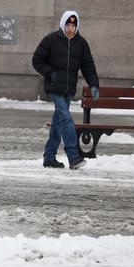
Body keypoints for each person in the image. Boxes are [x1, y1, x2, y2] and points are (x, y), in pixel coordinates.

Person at [32, 10, 100, 170]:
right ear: (63, 24)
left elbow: (88, 66)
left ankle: (49, 157)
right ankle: (73, 156)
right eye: (68, 25)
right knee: (66, 118)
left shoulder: (81, 43)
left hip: (68, 89)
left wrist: (94, 85)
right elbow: (37, 60)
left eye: (73, 26)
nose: (70, 28)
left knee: (58, 122)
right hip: (54, 87)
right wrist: (51, 73)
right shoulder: (51, 40)